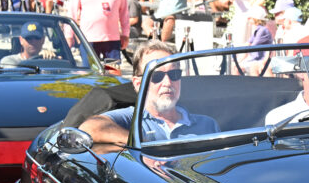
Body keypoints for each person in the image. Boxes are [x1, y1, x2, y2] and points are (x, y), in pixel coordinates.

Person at [81, 41, 218, 143]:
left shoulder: (207, 124)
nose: (167, 82)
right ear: (138, 84)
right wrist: (140, 142)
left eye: (174, 74)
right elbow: (90, 127)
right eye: (156, 76)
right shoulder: (131, 119)